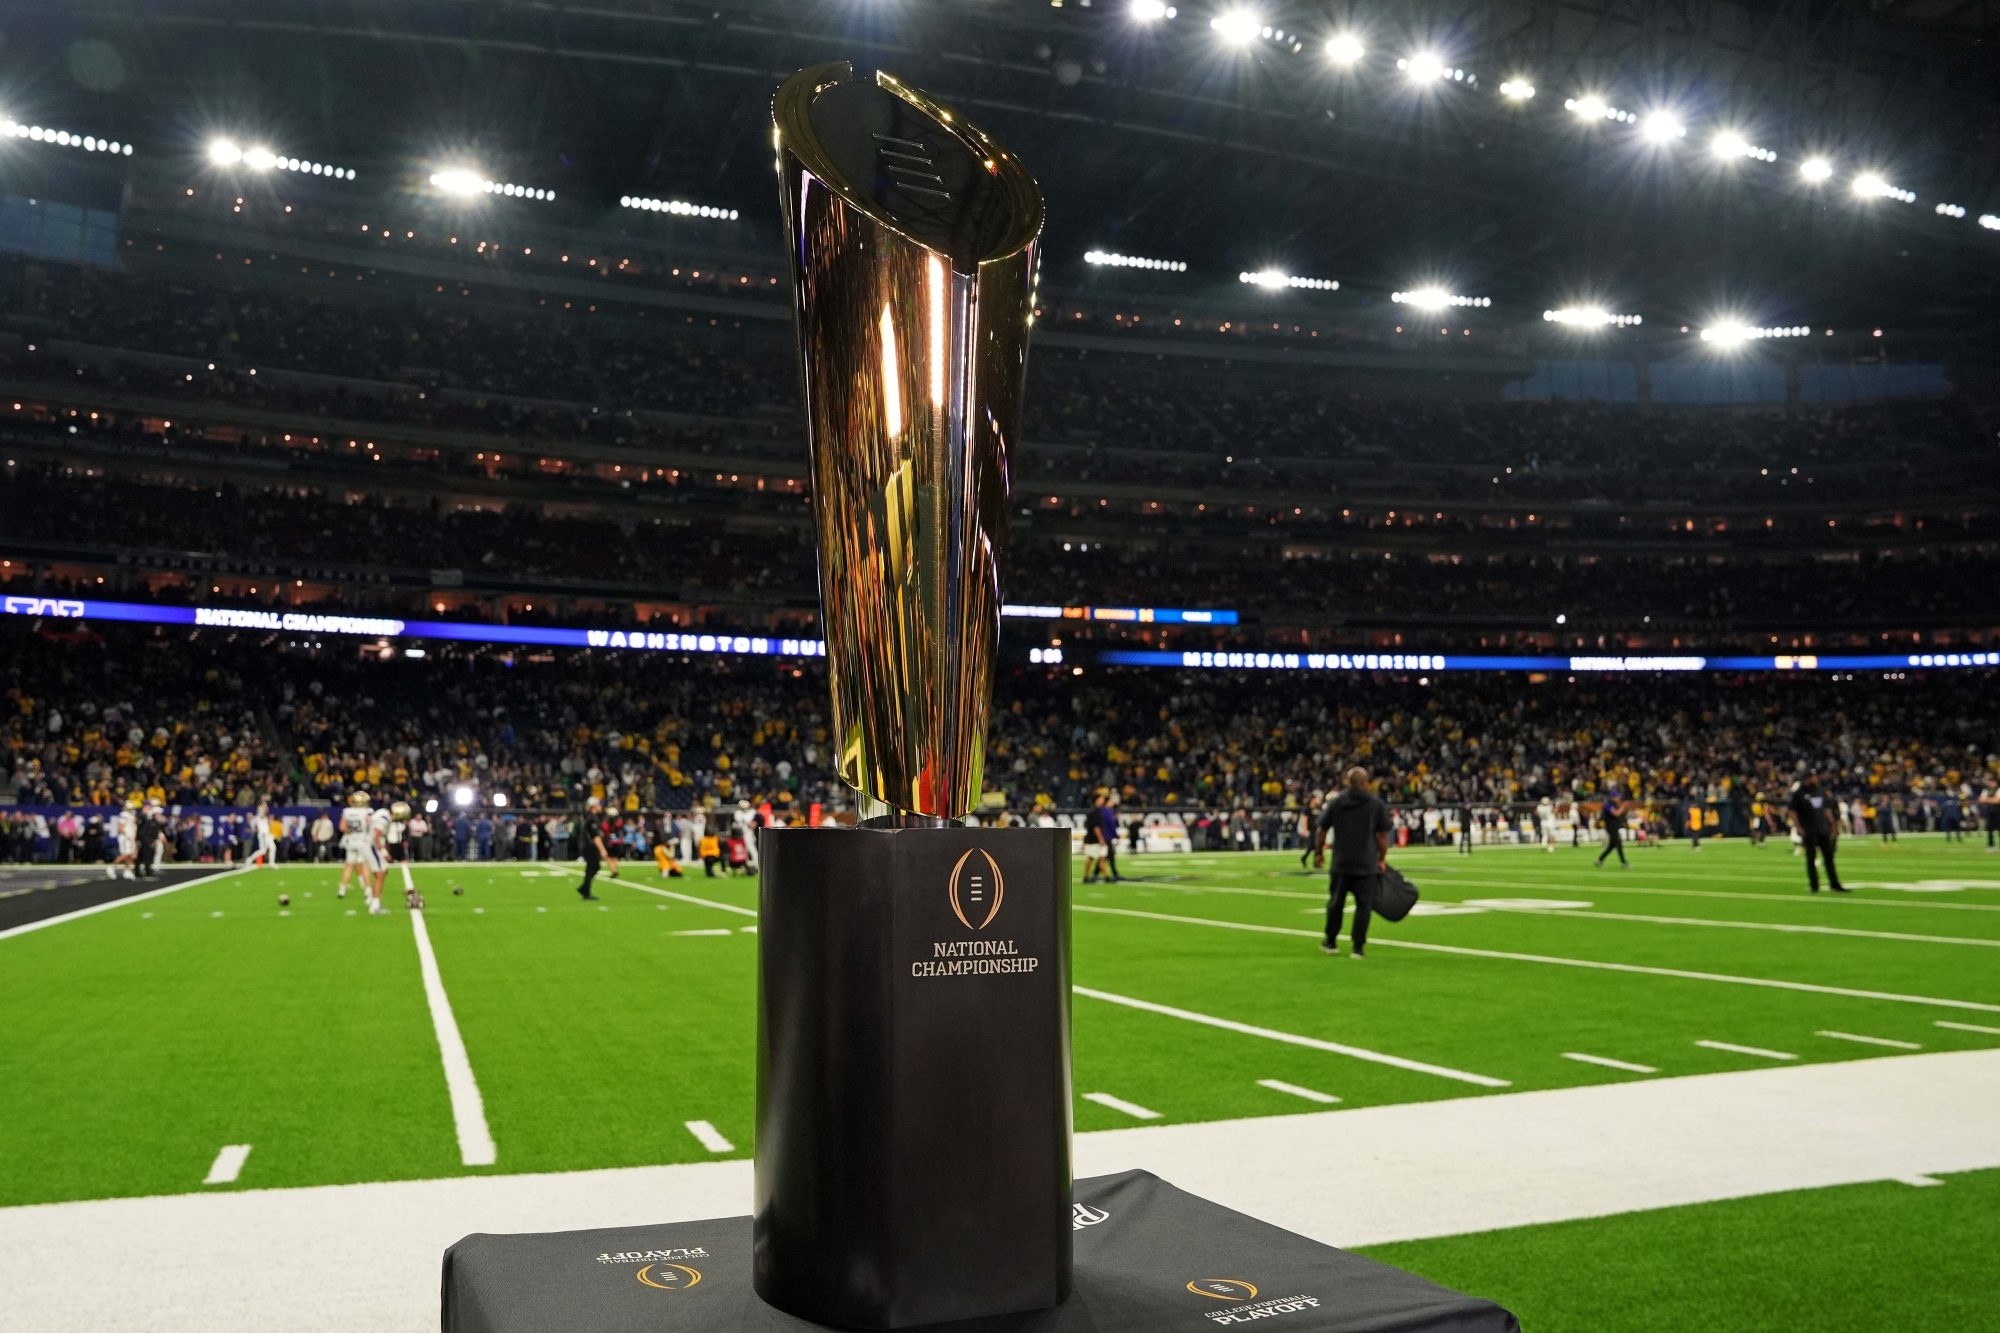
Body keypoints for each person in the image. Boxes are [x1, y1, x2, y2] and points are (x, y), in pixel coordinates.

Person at [1310, 766, 1391, 959]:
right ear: (1365, 782)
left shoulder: (1337, 802)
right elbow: (1382, 836)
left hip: (1341, 862)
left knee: (1336, 903)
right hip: (1366, 863)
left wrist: (1319, 853)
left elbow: (1321, 830)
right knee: (1364, 906)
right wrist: (1382, 859)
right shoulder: (1375, 804)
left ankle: (1331, 941)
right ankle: (1358, 947)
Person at [1786, 772, 1848, 895]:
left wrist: (1833, 826)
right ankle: (1814, 885)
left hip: (1823, 829)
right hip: (1809, 830)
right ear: (1807, 779)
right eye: (1813, 777)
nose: (1815, 779)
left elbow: (1827, 809)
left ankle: (1834, 883)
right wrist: (1798, 827)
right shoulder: (1799, 793)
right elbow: (1792, 810)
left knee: (1829, 858)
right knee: (1811, 858)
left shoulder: (1820, 791)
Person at [577, 796, 617, 900]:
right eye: (598, 804)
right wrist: (602, 849)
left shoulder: (591, 817)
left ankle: (584, 888)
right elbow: (595, 837)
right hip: (591, 847)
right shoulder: (592, 818)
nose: (600, 806)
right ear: (594, 806)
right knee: (593, 867)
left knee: (592, 868)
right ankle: (585, 889)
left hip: (589, 846)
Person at [1595, 791, 1628, 868]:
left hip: (1614, 827)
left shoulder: (1613, 805)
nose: (1618, 798)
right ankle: (1623, 862)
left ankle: (1599, 860)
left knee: (1612, 846)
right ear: (1612, 797)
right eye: (1617, 797)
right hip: (1611, 827)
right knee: (1618, 844)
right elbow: (1616, 813)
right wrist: (1623, 807)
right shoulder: (1608, 805)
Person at [1081, 813, 1109, 882]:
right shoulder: (1095, 820)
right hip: (1093, 842)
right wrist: (1101, 839)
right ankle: (1106, 877)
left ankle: (1106, 876)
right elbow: (1095, 829)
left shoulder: (1094, 819)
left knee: (1099, 859)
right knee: (1092, 858)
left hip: (1096, 842)